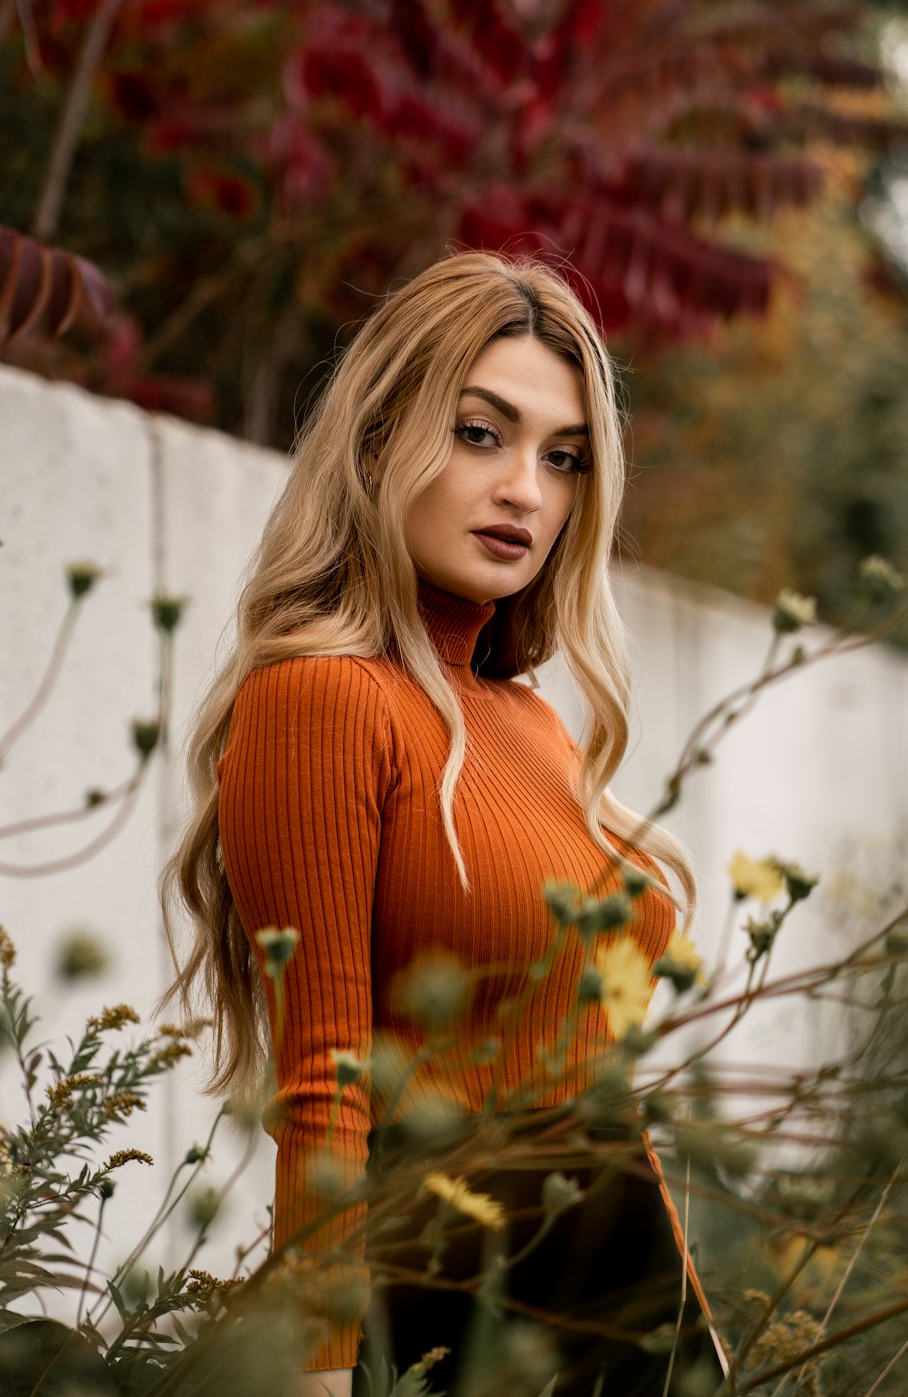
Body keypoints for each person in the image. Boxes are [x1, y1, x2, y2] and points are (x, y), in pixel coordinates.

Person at [162, 251, 721, 1396]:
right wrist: (318, 1369)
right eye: (481, 434)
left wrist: (700, 1338)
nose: (525, 488)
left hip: (629, 1314)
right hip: (457, 1316)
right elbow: (324, 1084)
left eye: (561, 458)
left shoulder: (532, 724)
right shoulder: (322, 700)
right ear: (379, 439)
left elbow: (597, 1083)